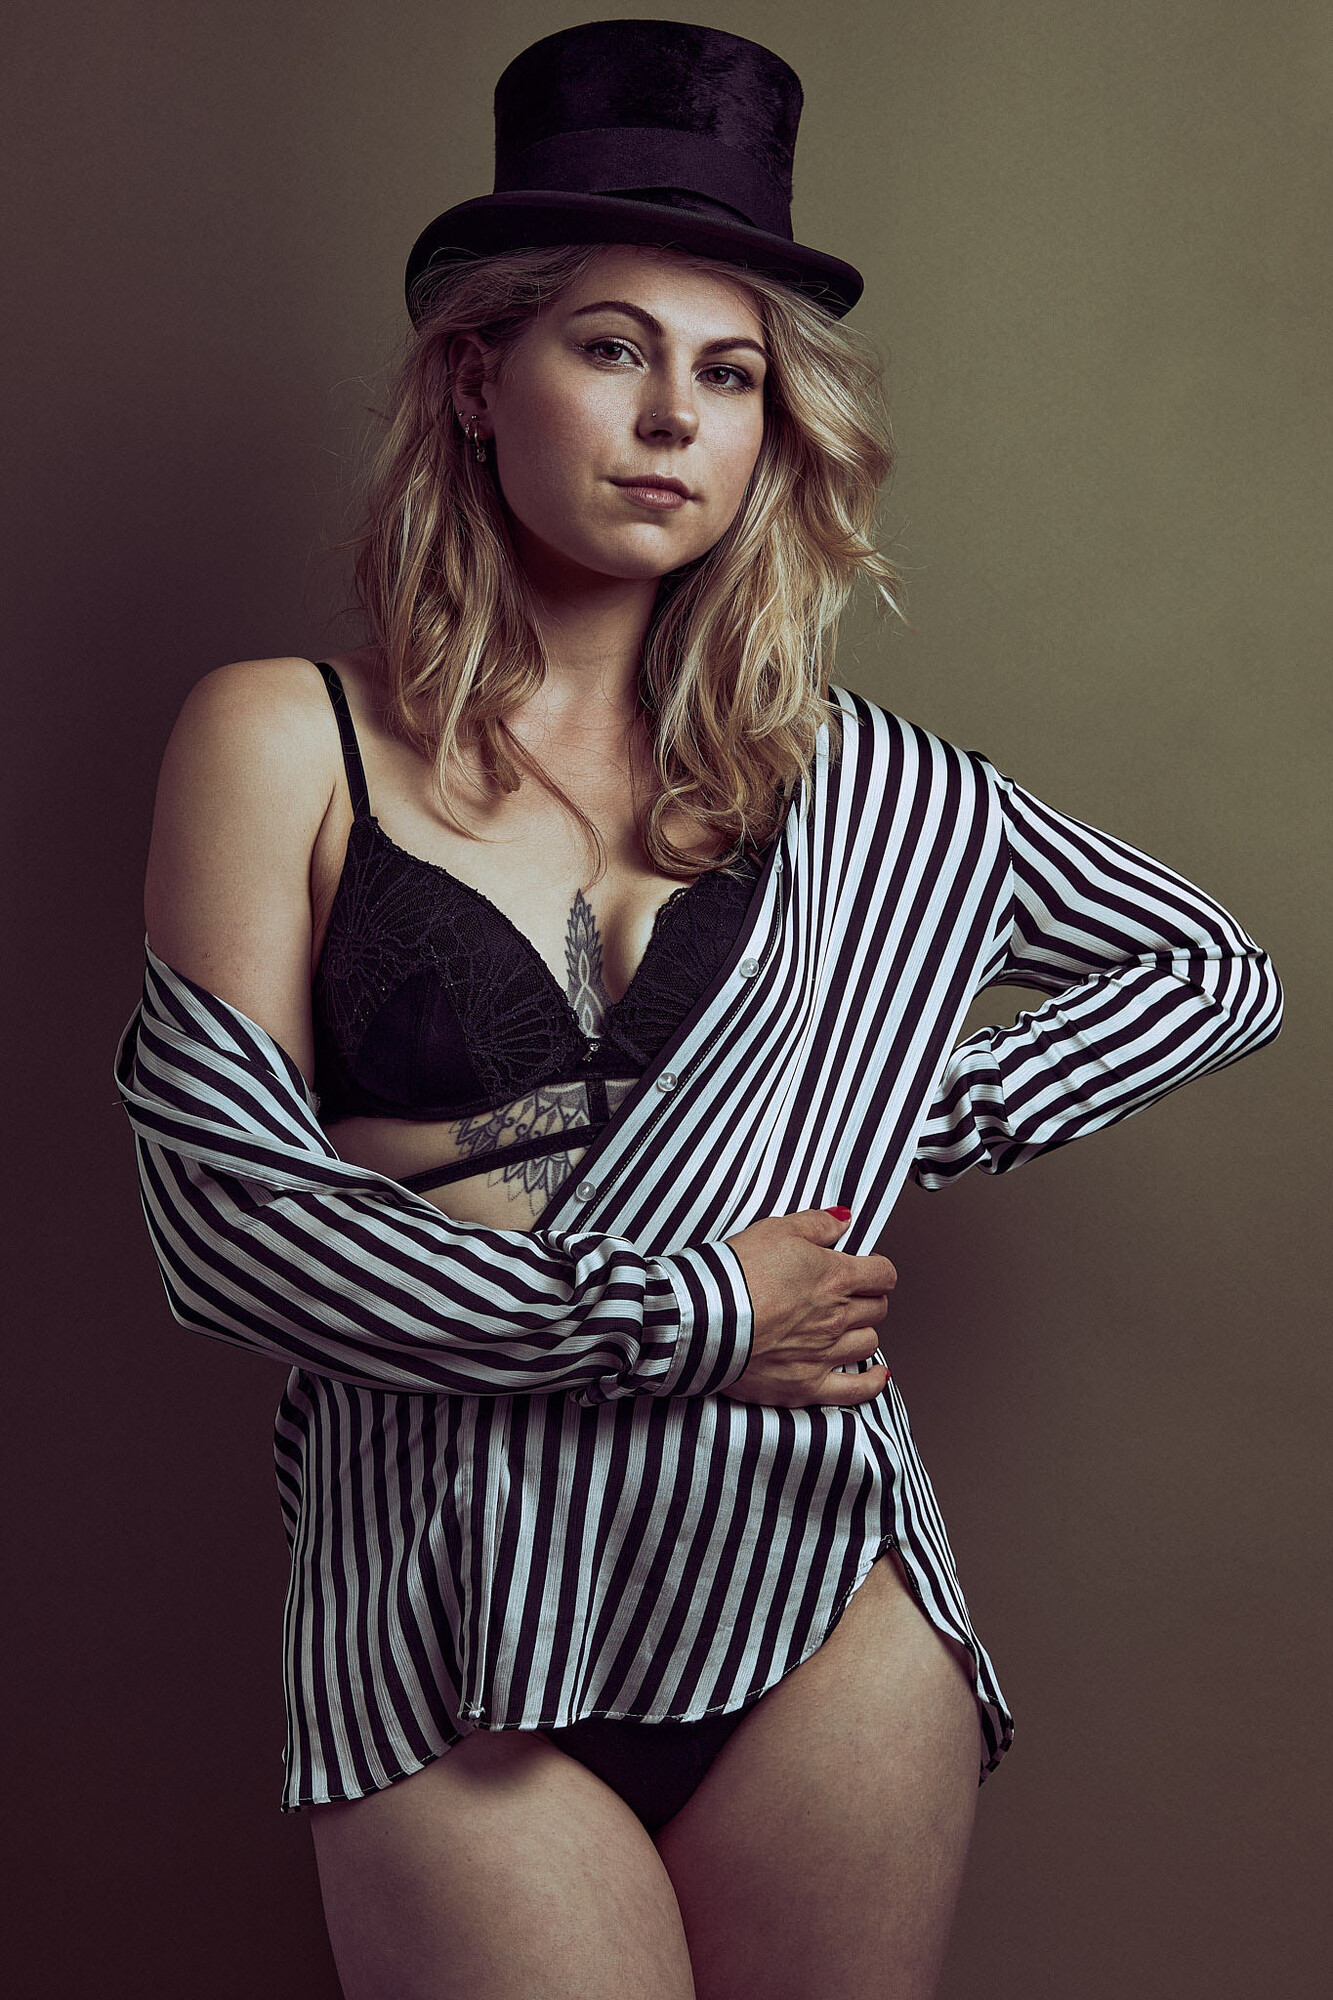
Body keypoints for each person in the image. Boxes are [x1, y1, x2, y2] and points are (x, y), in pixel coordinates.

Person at [117, 19, 1284, 2000]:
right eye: (611, 348)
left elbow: (1210, 971)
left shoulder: (853, 786)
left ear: (769, 430)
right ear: (476, 377)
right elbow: (228, 1225)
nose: (673, 416)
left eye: (728, 374)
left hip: (813, 1580)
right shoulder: (281, 738)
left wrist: (881, 1105)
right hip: (453, 1611)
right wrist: (692, 1314)